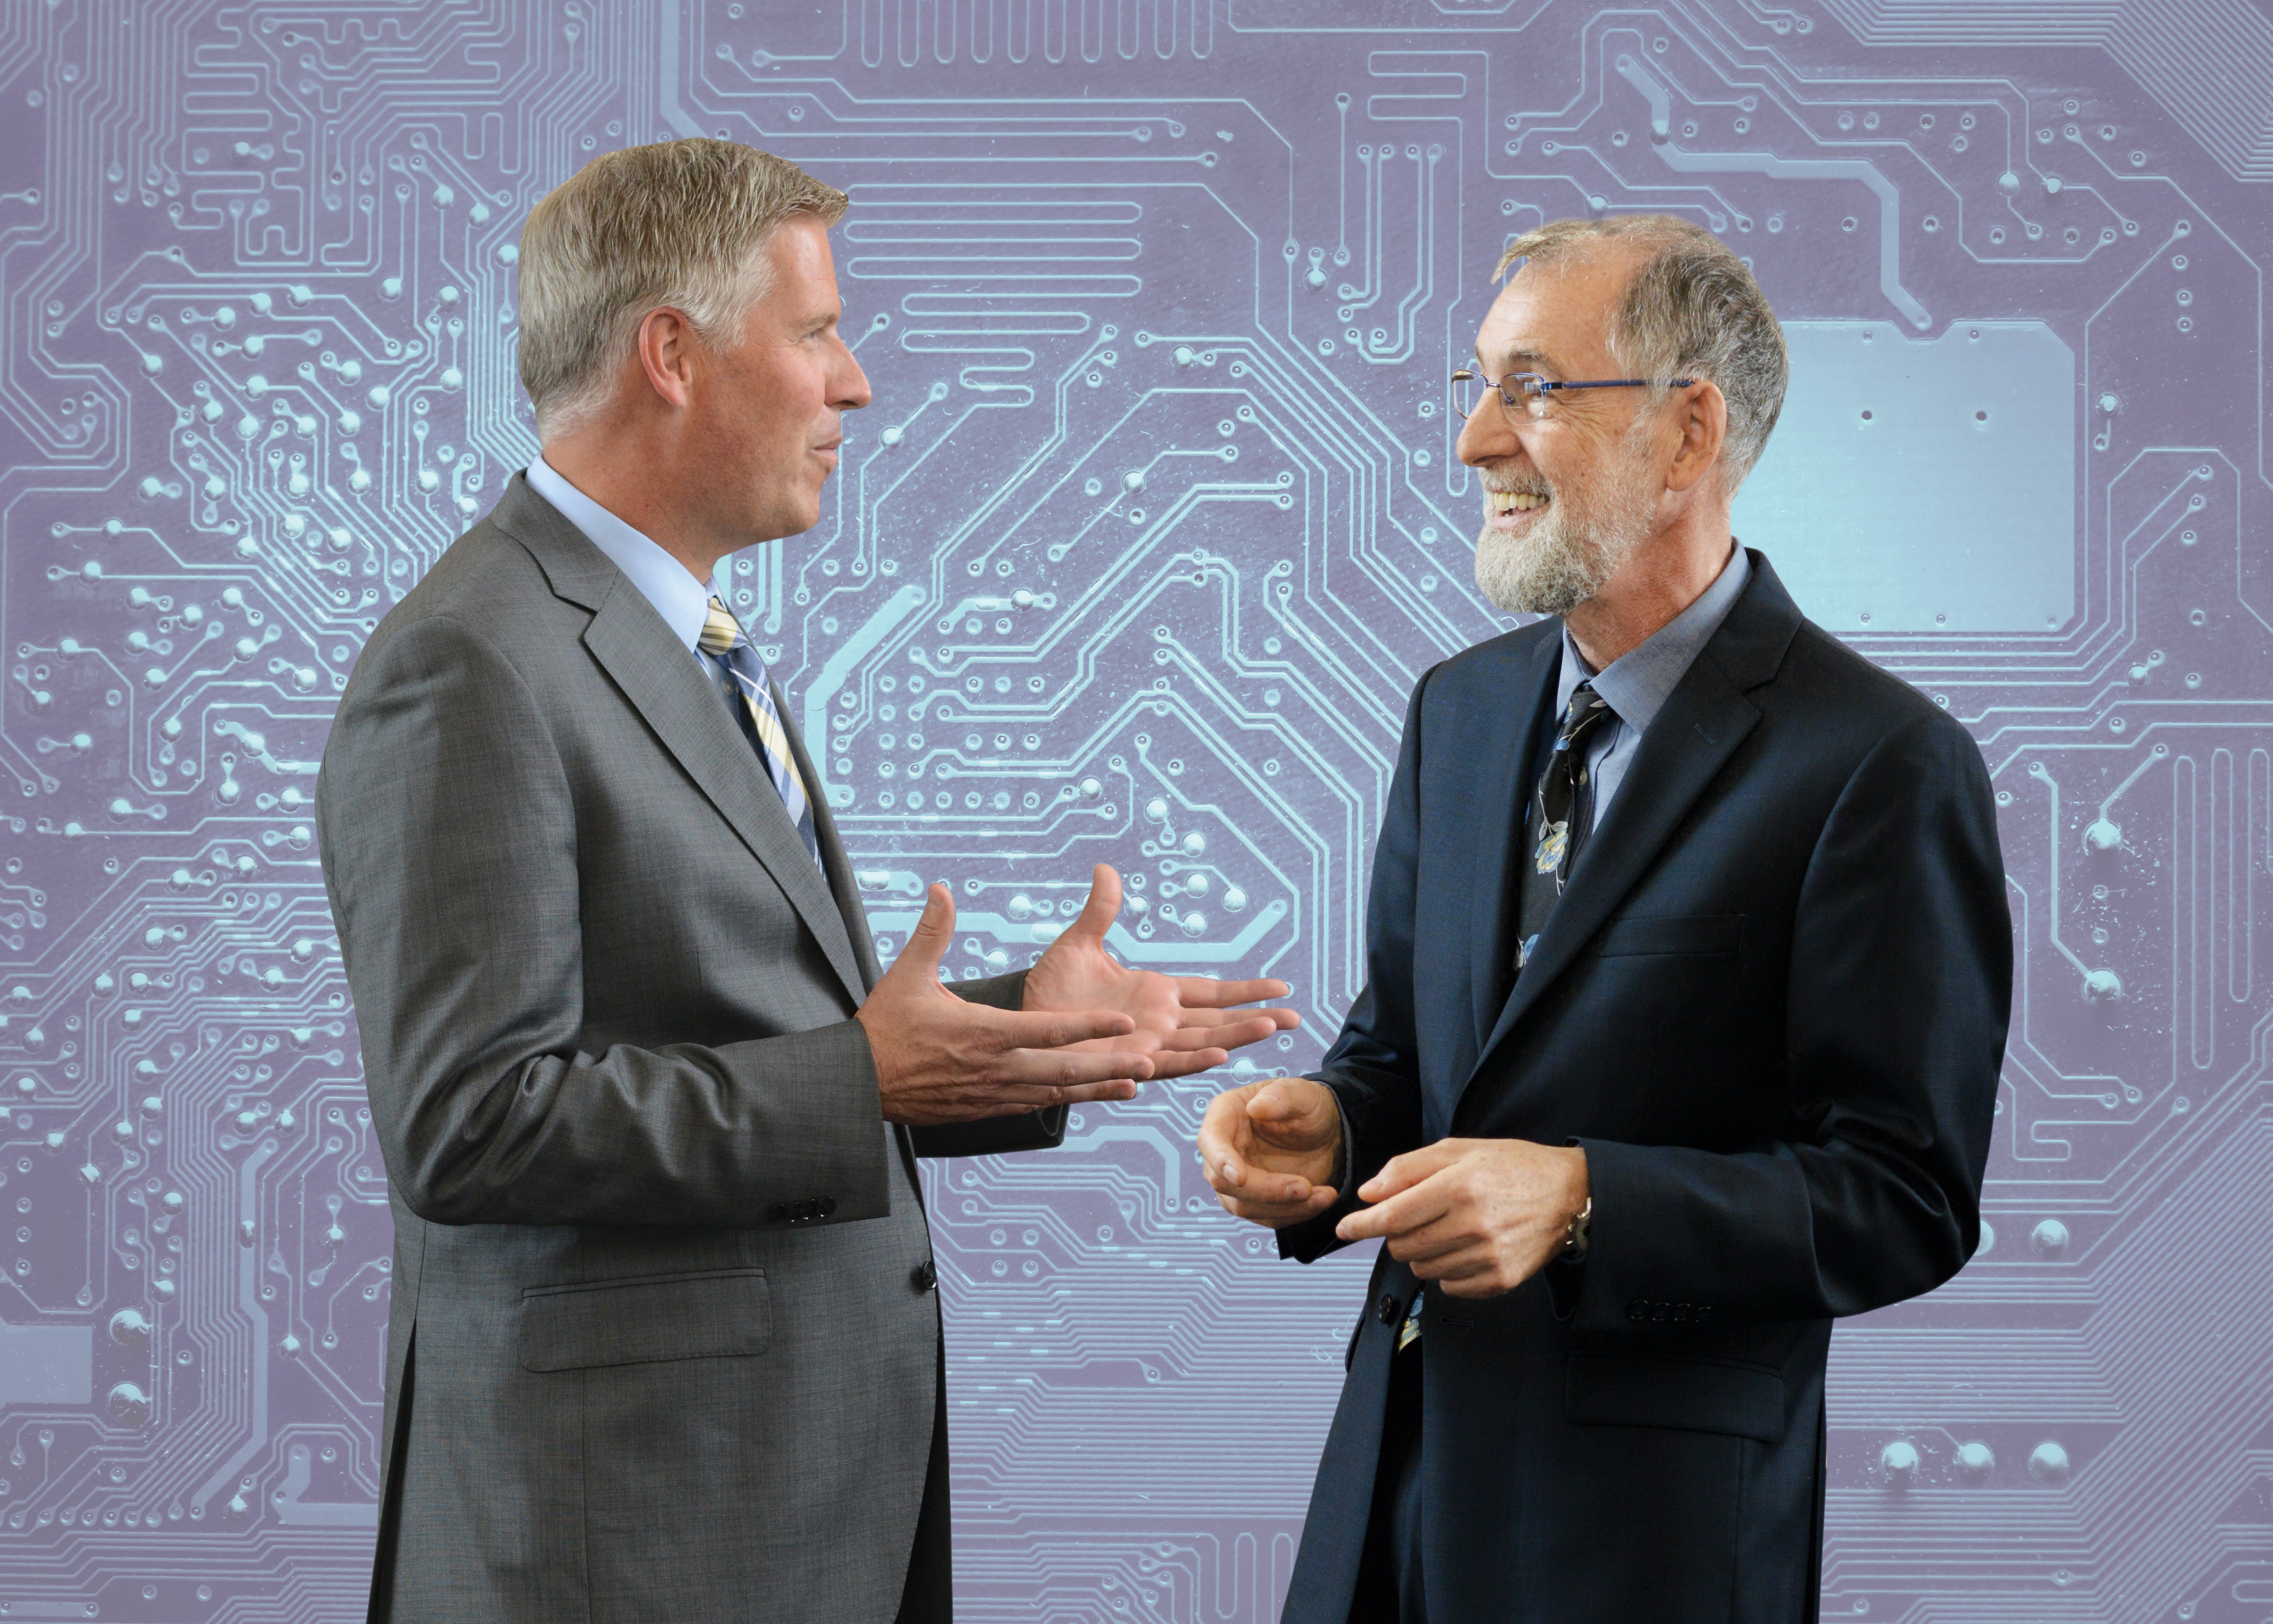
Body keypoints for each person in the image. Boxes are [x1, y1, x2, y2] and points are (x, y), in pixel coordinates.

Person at [317, 139, 1299, 1624]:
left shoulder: (679, 635)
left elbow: (733, 1019)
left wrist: (1013, 1031)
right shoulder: (473, 662)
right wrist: (868, 1079)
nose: (856, 384)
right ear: (671, 353)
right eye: (820, 331)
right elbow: (471, 1124)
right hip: (615, 1544)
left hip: (769, 1517)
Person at [1197, 215, 2010, 1624]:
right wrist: (1329, 1129)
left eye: (1532, 388)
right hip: (1393, 1492)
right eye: (1475, 385)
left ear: (1687, 433)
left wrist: (1583, 1199)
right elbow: (1406, 1054)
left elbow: (1903, 1196)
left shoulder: (1878, 764)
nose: (1473, 444)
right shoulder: (1458, 712)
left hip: (1652, 1546)